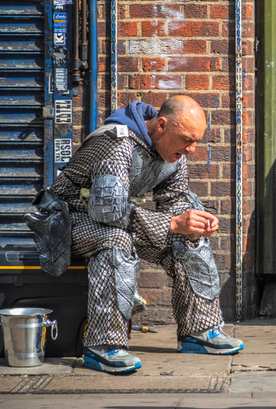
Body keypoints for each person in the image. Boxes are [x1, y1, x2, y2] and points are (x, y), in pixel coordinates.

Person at [46, 96, 244, 373]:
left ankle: (199, 331)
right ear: (162, 125)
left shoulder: (173, 151)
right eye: (187, 139)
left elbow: (175, 200)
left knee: (188, 239)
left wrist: (193, 222)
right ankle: (103, 346)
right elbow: (108, 212)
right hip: (67, 222)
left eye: (196, 140)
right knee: (116, 242)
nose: (192, 148)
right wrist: (173, 223)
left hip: (112, 219)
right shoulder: (115, 143)